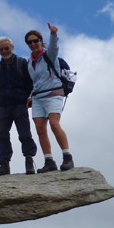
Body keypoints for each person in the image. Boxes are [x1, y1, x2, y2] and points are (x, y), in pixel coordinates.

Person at [25, 23, 74, 173]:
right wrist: (30, 96)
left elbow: (54, 47)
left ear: (41, 41)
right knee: (40, 129)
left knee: (54, 124)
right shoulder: (29, 62)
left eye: (36, 40)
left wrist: (53, 34)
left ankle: (67, 157)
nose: (33, 44)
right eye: (30, 42)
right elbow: (34, 81)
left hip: (53, 93)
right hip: (38, 97)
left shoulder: (49, 55)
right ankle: (49, 161)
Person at [0, 37, 38, 175]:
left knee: (24, 133)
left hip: (19, 104)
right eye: (1, 49)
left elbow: (30, 82)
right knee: (2, 135)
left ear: (12, 48)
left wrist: (25, 97)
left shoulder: (22, 63)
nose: (4, 51)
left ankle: (29, 160)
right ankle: (4, 163)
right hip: (3, 105)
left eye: (6, 48)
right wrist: (2, 97)